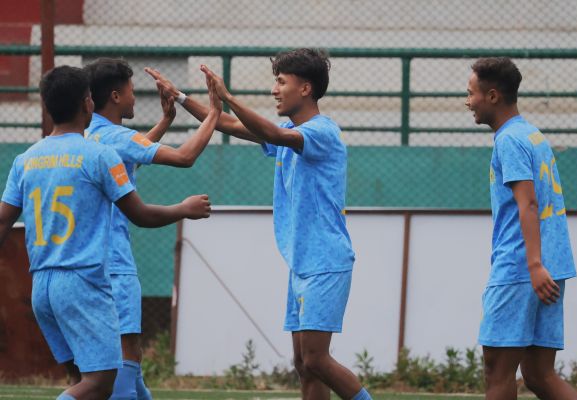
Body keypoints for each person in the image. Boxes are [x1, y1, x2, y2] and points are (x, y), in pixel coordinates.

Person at [147, 48, 372, 400]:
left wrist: (228, 97)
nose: (274, 90)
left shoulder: (322, 131)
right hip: (301, 263)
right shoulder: (285, 129)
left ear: (306, 89)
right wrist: (180, 96)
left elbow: (274, 134)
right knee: (303, 364)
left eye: (281, 82)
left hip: (326, 261)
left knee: (317, 359)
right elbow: (224, 123)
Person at [0, 65, 211, 400]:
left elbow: (2, 222)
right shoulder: (99, 155)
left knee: (84, 381)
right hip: (83, 281)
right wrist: (183, 209)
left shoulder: (25, 160)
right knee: (103, 381)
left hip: (41, 285)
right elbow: (140, 213)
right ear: (88, 103)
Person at [83, 58, 221, 400]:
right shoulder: (118, 137)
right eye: (131, 91)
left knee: (123, 365)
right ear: (115, 96)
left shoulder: (93, 133)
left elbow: (133, 150)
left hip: (90, 262)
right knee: (127, 357)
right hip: (114, 263)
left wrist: (165, 121)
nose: (134, 98)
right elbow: (184, 156)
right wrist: (215, 113)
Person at [465, 57, 577, 400]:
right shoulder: (533, 134)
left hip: (522, 267)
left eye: (471, 93)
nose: (468, 101)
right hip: (551, 265)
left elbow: (527, 204)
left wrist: (532, 265)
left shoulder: (509, 141)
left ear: (494, 96)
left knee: (497, 370)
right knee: (539, 374)